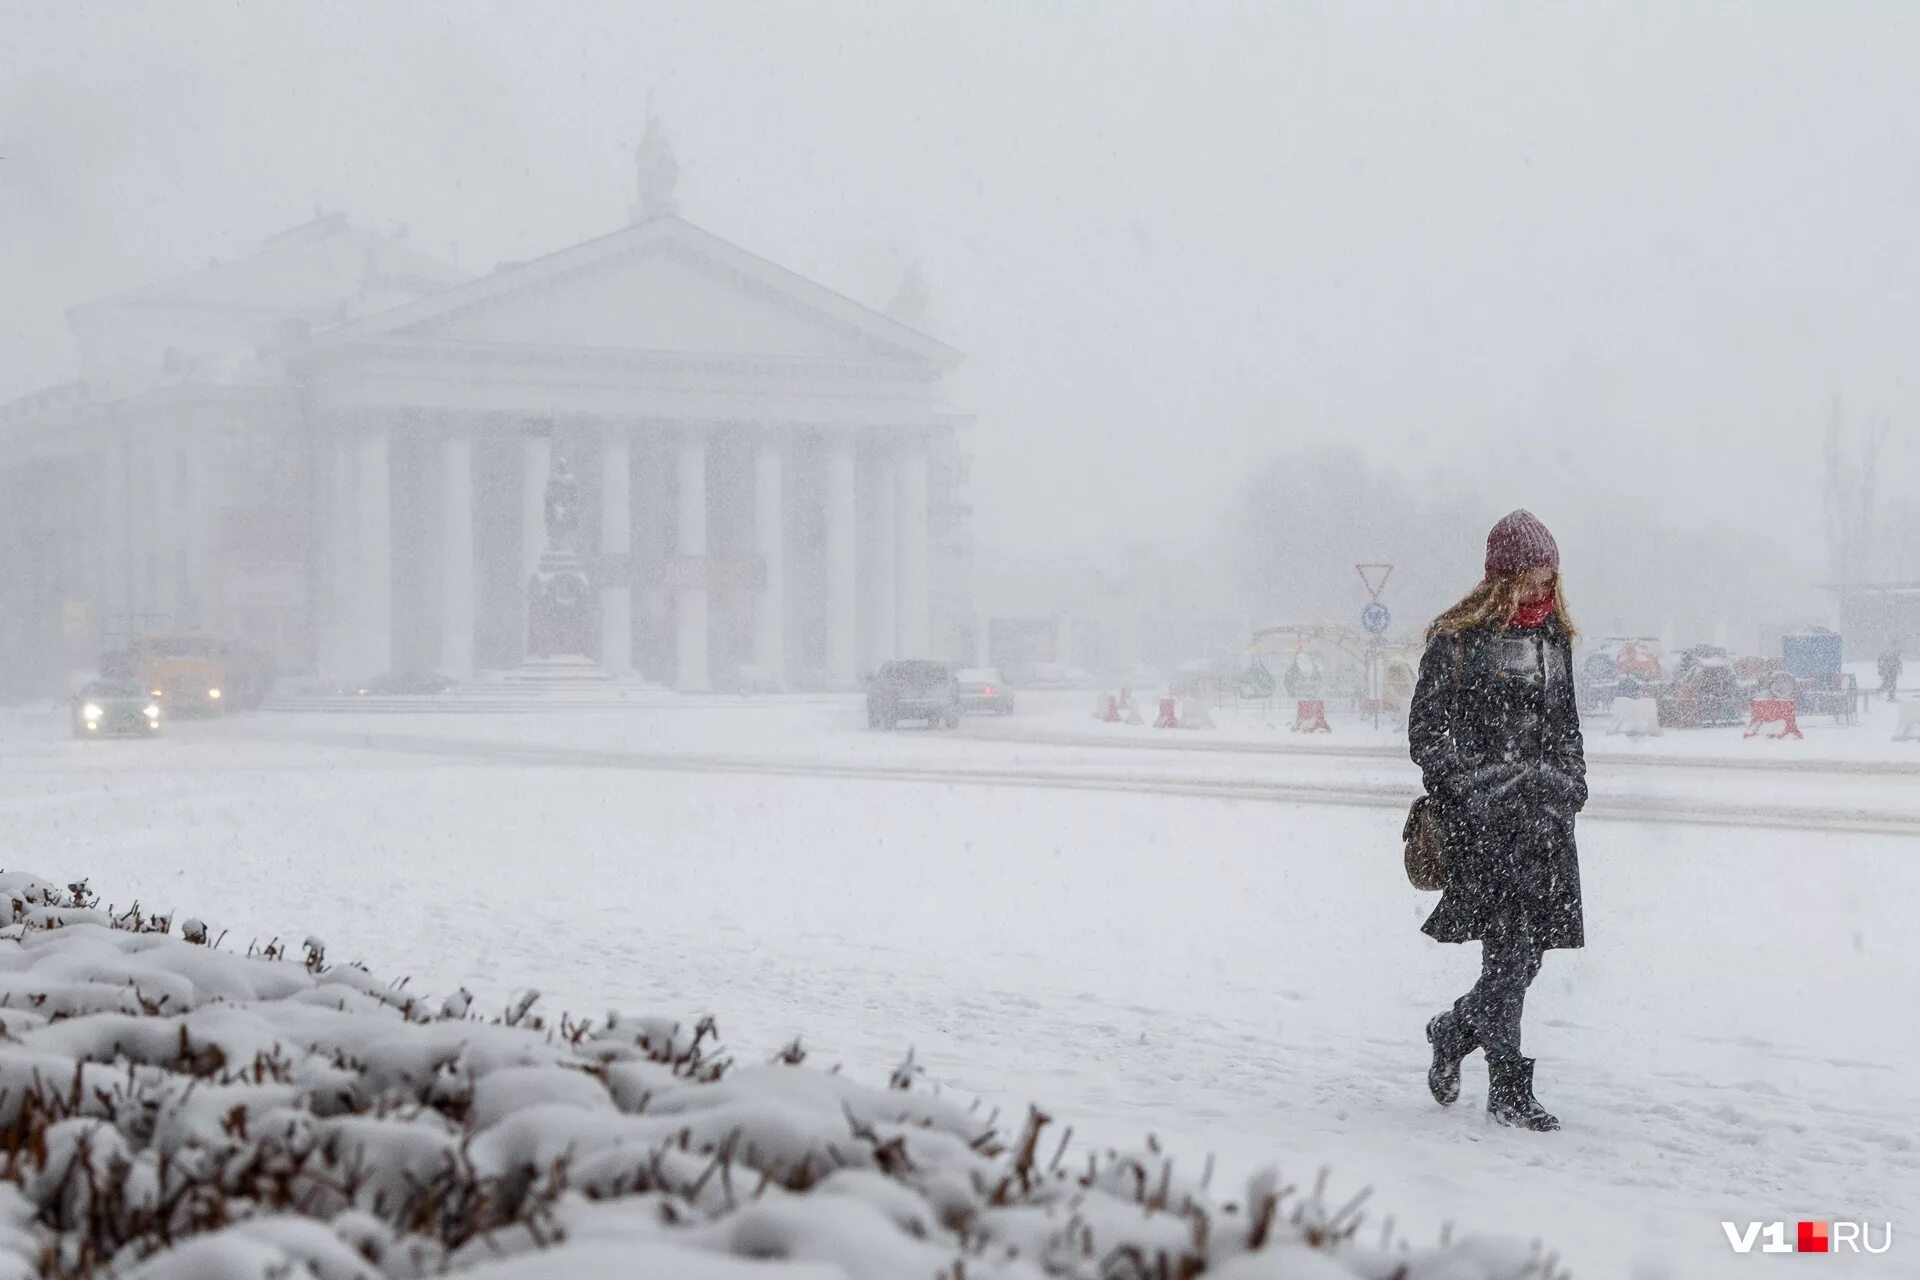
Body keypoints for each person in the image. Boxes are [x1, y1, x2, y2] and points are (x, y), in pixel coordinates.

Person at [1408, 509, 1586, 1132]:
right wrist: (1464, 793)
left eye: (1549, 579)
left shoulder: (1554, 639)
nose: (1543, 591)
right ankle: (1509, 1089)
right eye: (1533, 579)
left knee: (1526, 956)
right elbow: (1428, 733)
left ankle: (1454, 1030)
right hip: (1484, 826)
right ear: (1503, 578)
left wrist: (1571, 787)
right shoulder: (1456, 640)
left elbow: (1566, 730)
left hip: (1545, 823)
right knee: (1508, 958)